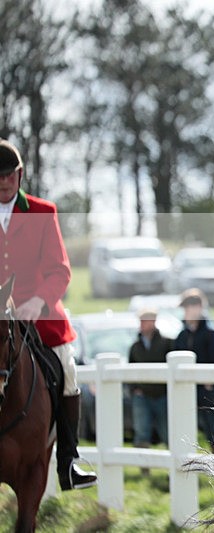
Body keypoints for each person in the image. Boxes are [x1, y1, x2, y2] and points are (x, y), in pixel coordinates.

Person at [0, 138, 97, 490]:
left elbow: (60, 270)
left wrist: (37, 302)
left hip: (39, 315)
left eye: (9, 175)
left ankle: (68, 461)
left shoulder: (42, 212)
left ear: (20, 175)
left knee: (68, 372)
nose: (3, 181)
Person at [173, 288, 214, 454]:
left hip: (206, 389)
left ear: (199, 308)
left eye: (190, 307)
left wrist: (209, 380)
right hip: (186, 388)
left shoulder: (210, 334)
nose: (187, 312)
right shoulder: (181, 335)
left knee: (212, 428)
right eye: (186, 308)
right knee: (183, 426)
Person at [128, 309, 172, 461]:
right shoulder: (135, 346)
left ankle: (171, 466)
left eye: (145, 321)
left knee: (168, 431)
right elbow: (130, 370)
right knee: (141, 432)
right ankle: (144, 467)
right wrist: (135, 390)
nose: (142, 324)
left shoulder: (166, 343)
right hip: (142, 396)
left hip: (162, 396)